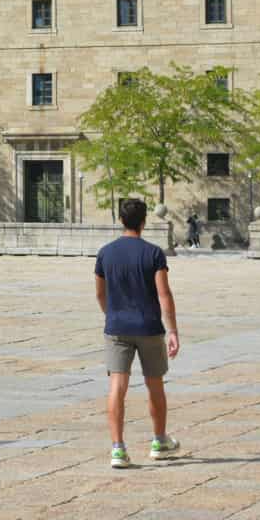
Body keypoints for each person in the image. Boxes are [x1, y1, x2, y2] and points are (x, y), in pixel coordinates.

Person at [95, 199, 181, 469]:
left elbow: (100, 292)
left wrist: (111, 313)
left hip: (117, 326)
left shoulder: (105, 253)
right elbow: (163, 293)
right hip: (148, 326)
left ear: (121, 220)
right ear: (144, 222)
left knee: (117, 387)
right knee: (154, 385)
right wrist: (173, 330)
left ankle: (118, 448)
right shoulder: (154, 253)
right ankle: (159, 441)